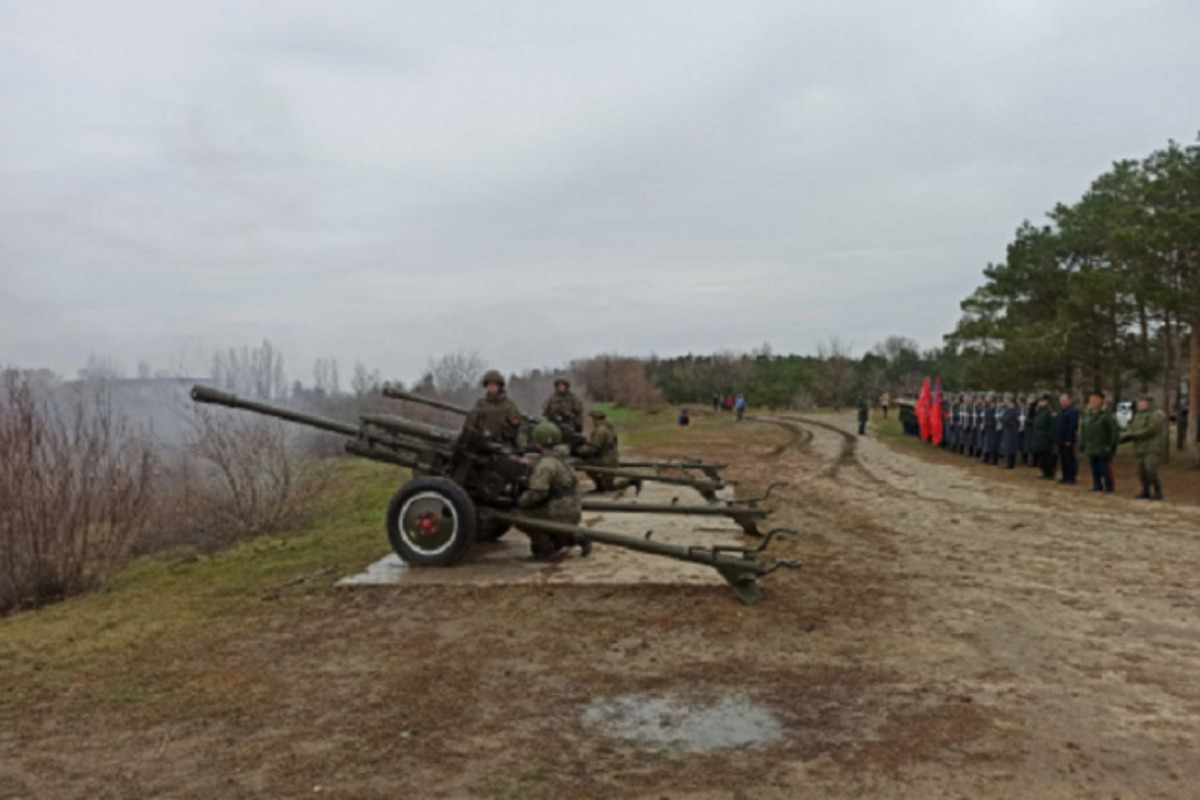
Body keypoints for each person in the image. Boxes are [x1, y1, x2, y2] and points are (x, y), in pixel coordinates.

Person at [515, 421, 586, 560]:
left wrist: (520, 501)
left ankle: (545, 551)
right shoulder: (562, 457)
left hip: (559, 511)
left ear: (538, 443)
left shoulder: (545, 464)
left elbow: (537, 492)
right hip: (572, 509)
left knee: (518, 516)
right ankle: (576, 538)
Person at [463, 369, 526, 451]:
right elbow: (472, 424)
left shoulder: (509, 405)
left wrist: (520, 442)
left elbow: (518, 424)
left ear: (499, 386)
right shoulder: (481, 404)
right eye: (489, 385)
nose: (492, 387)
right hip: (483, 444)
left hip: (504, 445)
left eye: (494, 385)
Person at [1122, 396, 1165, 500]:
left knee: (1151, 470)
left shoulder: (1156, 415)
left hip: (1152, 447)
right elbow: (1131, 428)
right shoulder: (1137, 416)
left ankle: (1157, 491)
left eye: (1143, 402)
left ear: (1149, 403)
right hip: (1140, 448)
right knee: (1140, 471)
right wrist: (1125, 436)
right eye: (1139, 402)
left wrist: (1133, 435)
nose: (1140, 404)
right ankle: (1145, 490)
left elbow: (1151, 430)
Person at [1081, 390, 1118, 493]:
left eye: (1095, 400)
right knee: (1094, 467)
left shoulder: (1107, 413)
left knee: (1104, 467)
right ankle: (1097, 485)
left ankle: (1108, 486)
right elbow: (1084, 428)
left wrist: (1111, 444)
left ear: (1101, 401)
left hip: (1103, 445)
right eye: (1091, 400)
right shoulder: (1088, 413)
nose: (1092, 402)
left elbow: (1113, 430)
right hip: (1091, 444)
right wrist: (1082, 442)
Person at [577, 409, 620, 491]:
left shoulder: (600, 430)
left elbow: (592, 448)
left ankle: (600, 486)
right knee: (609, 487)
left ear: (596, 419)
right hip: (612, 458)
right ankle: (602, 486)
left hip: (605, 460)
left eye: (593, 419)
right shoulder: (609, 427)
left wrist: (578, 450)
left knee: (587, 465)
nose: (592, 422)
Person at [1056, 393, 1080, 485]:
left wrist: (1069, 439)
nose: (1062, 402)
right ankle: (1065, 476)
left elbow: (1072, 426)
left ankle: (1071, 477)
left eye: (1064, 400)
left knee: (1069, 458)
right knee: (1063, 458)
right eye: (1061, 400)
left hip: (1068, 438)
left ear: (1069, 400)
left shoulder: (1073, 411)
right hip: (1061, 438)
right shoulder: (1062, 410)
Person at [998, 393, 1020, 469]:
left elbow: (1008, 419)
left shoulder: (1012, 408)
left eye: (1005, 399)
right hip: (1007, 429)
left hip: (1011, 429)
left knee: (1011, 447)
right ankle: (1009, 463)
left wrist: (1004, 419)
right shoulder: (1005, 408)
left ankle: (1011, 464)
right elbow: (1002, 418)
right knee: (1007, 446)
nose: (1004, 400)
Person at [981, 393, 999, 465]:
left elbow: (995, 417)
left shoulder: (995, 407)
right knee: (987, 443)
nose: (986, 398)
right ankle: (986, 458)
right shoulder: (986, 406)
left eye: (988, 397)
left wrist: (990, 422)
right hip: (987, 426)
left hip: (992, 427)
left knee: (992, 443)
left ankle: (993, 460)